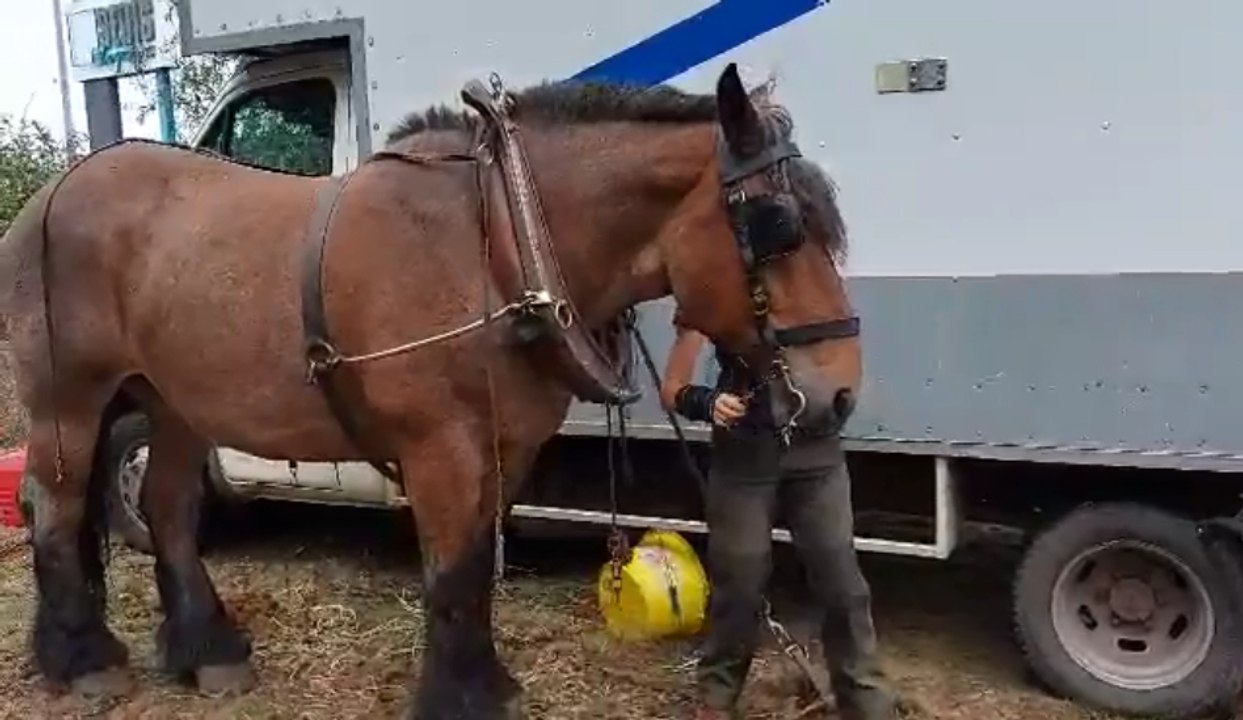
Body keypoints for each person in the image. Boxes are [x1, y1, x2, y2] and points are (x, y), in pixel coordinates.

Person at [660, 314, 899, 720]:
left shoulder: (816, 295)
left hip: (817, 458)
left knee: (842, 583)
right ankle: (717, 695)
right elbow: (672, 388)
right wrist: (704, 401)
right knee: (739, 584)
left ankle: (867, 701)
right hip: (743, 463)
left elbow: (847, 356)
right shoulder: (716, 299)